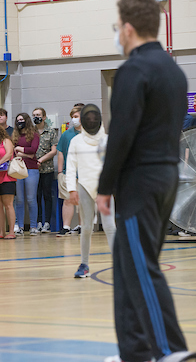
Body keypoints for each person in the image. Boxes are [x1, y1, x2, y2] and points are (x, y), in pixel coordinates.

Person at [97, 0, 189, 362]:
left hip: (139, 181)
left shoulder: (134, 70)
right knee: (126, 264)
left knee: (141, 267)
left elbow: (122, 133)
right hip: (167, 176)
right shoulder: (173, 70)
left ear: (130, 28)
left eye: (118, 28)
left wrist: (105, 187)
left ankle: (170, 351)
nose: (118, 35)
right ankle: (134, 352)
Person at [65, 104, 116, 278]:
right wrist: (71, 189)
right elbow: (70, 167)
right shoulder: (76, 141)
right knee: (86, 228)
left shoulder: (107, 140)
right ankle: (84, 264)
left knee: (110, 226)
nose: (92, 121)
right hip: (85, 187)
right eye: (89, 118)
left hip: (105, 189)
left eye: (94, 118)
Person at [56, 106, 83, 237]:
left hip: (84, 173)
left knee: (83, 201)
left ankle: (83, 226)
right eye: (73, 116)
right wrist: (60, 171)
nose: (74, 119)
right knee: (67, 200)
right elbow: (60, 151)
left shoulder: (90, 133)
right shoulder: (66, 134)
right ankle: (66, 226)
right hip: (69, 173)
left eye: (76, 116)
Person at [12, 113, 40, 235]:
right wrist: (26, 153)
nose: (20, 122)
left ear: (27, 121)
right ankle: (20, 226)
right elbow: (13, 152)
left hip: (31, 168)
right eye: (18, 120)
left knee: (31, 198)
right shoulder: (14, 135)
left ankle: (33, 226)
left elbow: (33, 150)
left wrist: (20, 150)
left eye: (22, 120)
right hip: (17, 169)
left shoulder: (34, 134)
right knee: (19, 199)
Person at [33, 107, 58, 235]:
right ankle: (37, 221)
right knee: (36, 196)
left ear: (44, 117)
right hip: (33, 169)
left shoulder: (51, 131)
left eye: (38, 115)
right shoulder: (30, 132)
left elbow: (54, 151)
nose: (35, 117)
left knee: (47, 195)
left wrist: (41, 160)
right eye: (34, 115)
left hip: (47, 169)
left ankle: (47, 223)